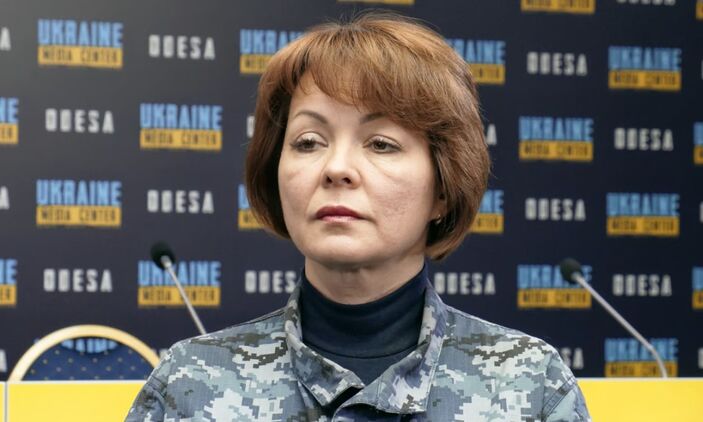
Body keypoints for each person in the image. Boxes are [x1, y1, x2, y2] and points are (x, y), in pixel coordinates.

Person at [126, 11, 591, 421]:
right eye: (309, 142)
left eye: (381, 144)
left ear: (442, 189)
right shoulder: (189, 385)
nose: (337, 168)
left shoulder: (530, 384)